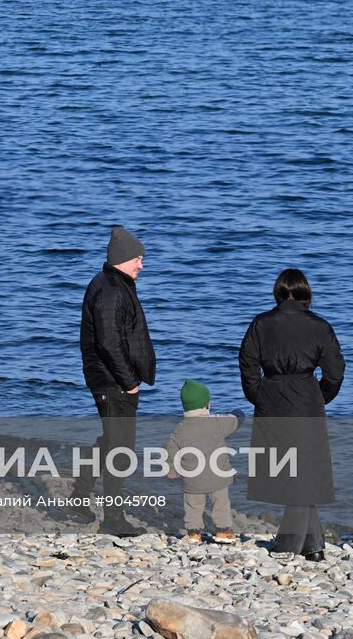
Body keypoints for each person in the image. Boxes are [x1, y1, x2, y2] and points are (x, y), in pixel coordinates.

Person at [238, 267, 344, 560]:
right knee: (304, 473)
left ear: (278, 292)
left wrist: (257, 394)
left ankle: (306, 545)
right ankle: (298, 546)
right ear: (305, 293)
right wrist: (320, 396)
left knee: (288, 472)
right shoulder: (320, 326)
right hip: (306, 398)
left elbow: (247, 362)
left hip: (271, 396)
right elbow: (335, 371)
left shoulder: (261, 323)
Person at [77, 225, 157, 535]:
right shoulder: (110, 290)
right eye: (138, 258)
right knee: (120, 449)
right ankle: (113, 519)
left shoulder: (116, 284)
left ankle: (79, 495)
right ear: (123, 258)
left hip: (113, 377)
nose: (142, 265)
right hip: (111, 379)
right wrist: (129, 382)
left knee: (113, 442)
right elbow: (109, 343)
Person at [165, 379, 240, 544]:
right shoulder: (217, 422)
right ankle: (222, 532)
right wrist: (238, 412)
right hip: (217, 477)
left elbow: (171, 451)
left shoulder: (179, 430)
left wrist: (170, 468)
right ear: (207, 406)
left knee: (193, 506)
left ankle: (194, 534)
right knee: (221, 503)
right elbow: (235, 421)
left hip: (192, 479)